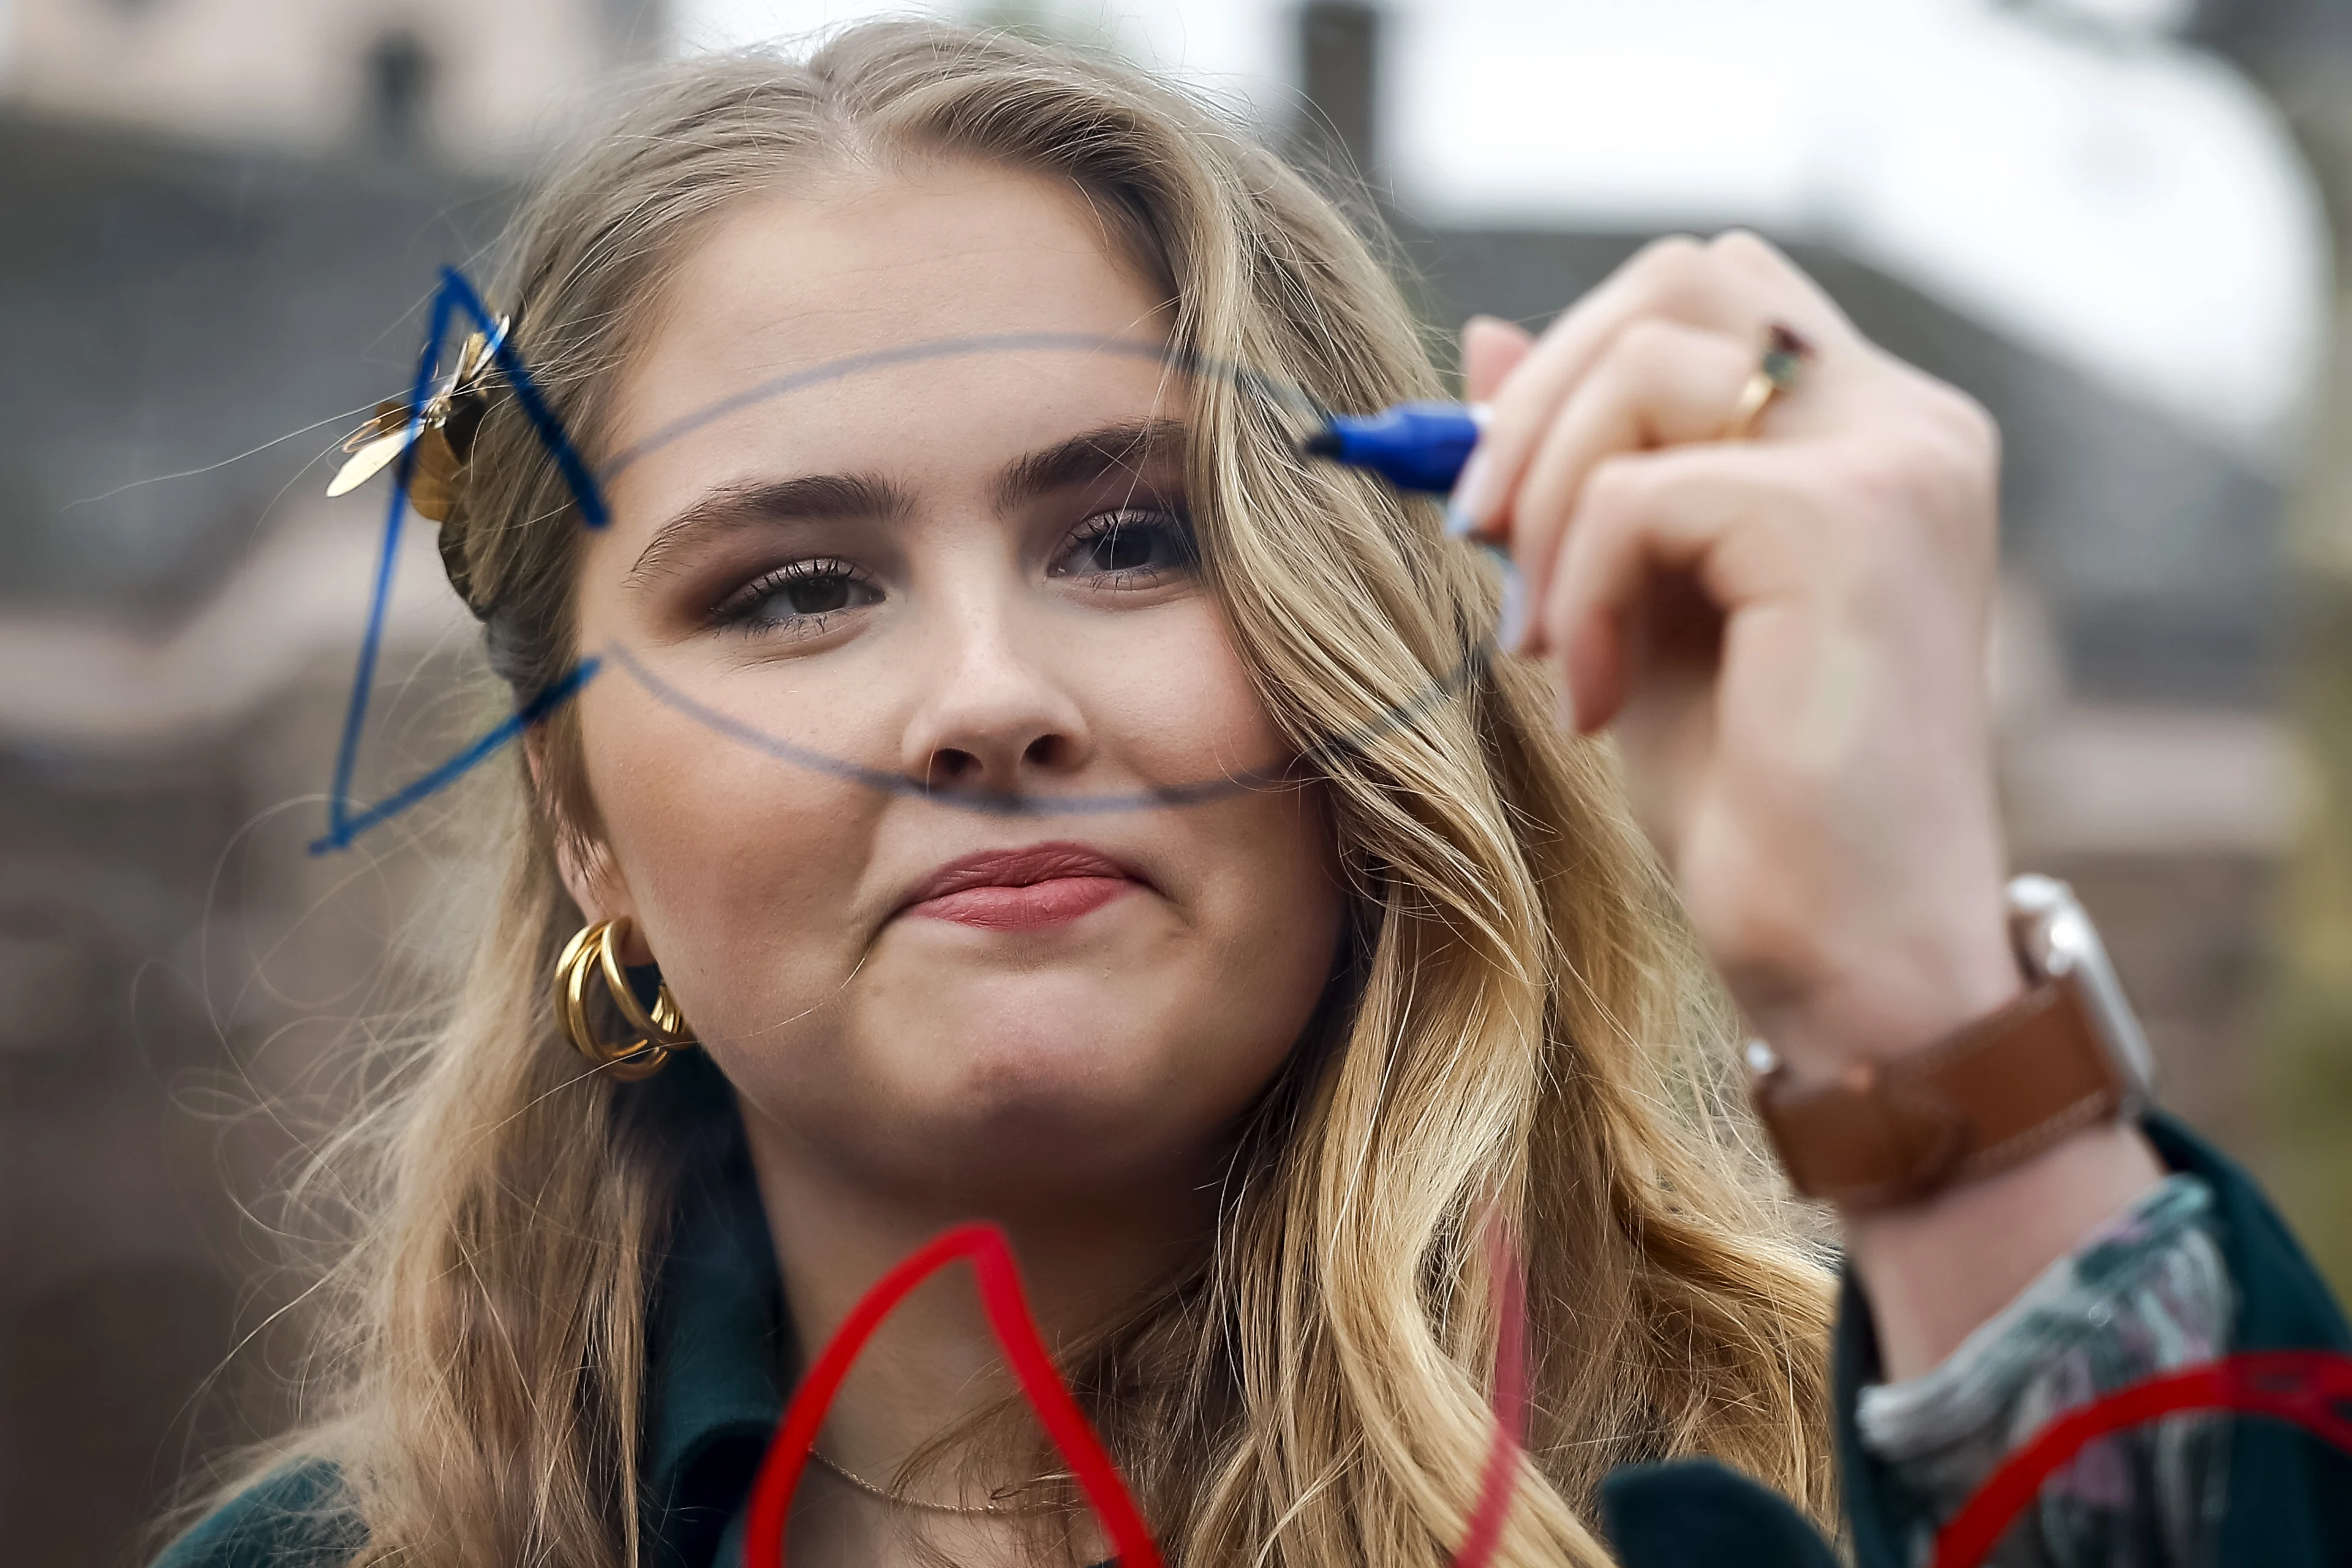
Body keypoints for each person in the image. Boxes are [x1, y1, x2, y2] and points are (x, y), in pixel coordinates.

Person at [154, 20, 2348, 1568]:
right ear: (584, 827)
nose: (988, 700)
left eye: (1130, 538)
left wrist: (1905, 1012)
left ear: (1366, 652)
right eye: (797, 589)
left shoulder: (1816, 1490)